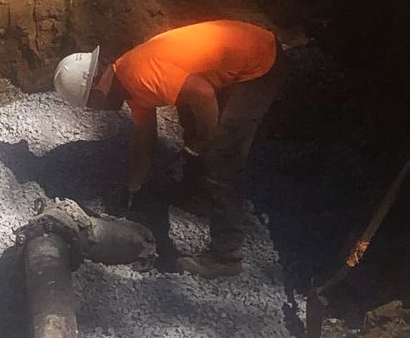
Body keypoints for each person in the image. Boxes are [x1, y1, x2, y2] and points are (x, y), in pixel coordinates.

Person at [55, 20, 287, 277]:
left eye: (91, 104)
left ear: (96, 90)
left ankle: (226, 255)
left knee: (221, 158)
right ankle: (195, 195)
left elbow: (204, 95)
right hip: (243, 53)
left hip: (261, 61)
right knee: (189, 116)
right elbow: (145, 141)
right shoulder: (128, 82)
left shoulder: (139, 76)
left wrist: (202, 145)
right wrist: (133, 190)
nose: (95, 110)